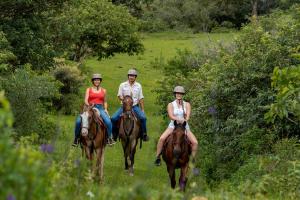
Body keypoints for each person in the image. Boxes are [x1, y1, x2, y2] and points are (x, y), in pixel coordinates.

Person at [154, 86, 198, 166]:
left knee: (195, 142)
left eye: (180, 93)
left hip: (184, 127)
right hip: (173, 126)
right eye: (177, 93)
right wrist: (178, 119)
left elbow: (188, 116)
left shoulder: (187, 104)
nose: (179, 95)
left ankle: (192, 159)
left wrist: (185, 119)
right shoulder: (171, 104)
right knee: (161, 139)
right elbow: (171, 116)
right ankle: (158, 157)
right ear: (175, 94)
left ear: (183, 94)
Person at [72, 73, 115, 146]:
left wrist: (106, 109)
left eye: (98, 80)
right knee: (78, 121)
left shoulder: (104, 90)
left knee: (108, 121)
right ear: (93, 81)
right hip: (89, 107)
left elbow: (105, 101)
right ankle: (76, 138)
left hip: (100, 108)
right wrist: (89, 105)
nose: (97, 81)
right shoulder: (88, 89)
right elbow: (85, 100)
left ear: (100, 81)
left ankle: (109, 138)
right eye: (95, 80)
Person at [111, 68, 149, 141]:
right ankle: (114, 135)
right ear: (128, 76)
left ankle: (144, 134)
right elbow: (119, 95)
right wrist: (126, 101)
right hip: (124, 107)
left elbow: (140, 98)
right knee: (113, 118)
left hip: (134, 106)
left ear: (135, 77)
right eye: (130, 75)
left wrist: (142, 109)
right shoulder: (122, 85)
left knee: (143, 118)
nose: (131, 77)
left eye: (133, 76)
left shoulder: (138, 86)